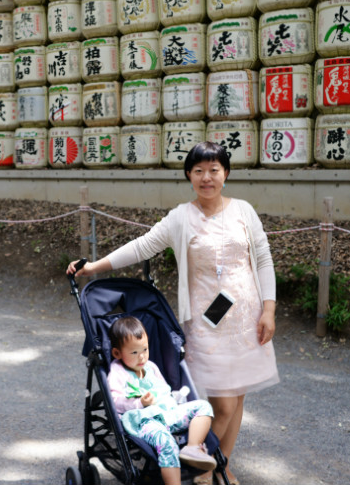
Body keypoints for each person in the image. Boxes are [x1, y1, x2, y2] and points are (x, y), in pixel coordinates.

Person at [68, 142, 278, 485]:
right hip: (207, 324)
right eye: (199, 171)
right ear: (188, 176)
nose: (207, 178)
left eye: (214, 170)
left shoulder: (243, 210)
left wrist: (268, 309)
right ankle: (201, 466)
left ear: (226, 174)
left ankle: (221, 466)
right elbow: (141, 245)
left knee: (237, 400)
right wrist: (92, 267)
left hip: (247, 320)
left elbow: (265, 260)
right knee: (221, 406)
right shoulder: (182, 217)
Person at [107, 316, 217, 485]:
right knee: (166, 442)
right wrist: (139, 403)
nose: (142, 357)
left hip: (167, 414)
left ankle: (192, 447)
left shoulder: (150, 367)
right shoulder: (118, 372)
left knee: (203, 406)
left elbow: (164, 390)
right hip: (144, 421)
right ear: (117, 353)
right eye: (134, 353)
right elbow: (114, 402)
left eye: (145, 349)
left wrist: (175, 401)